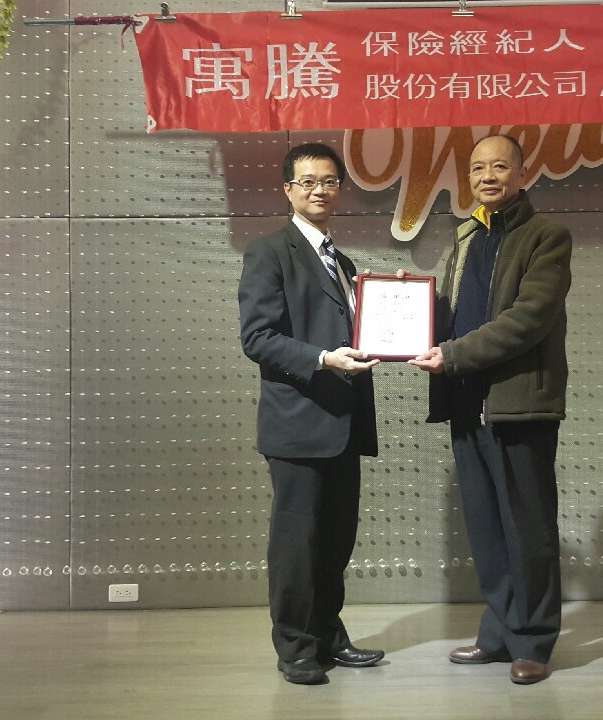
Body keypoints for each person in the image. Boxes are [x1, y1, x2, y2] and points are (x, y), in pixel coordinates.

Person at [410, 134, 572, 685]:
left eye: (499, 166)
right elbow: (454, 313)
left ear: (522, 174)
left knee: (528, 529)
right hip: (466, 403)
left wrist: (453, 354)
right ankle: (499, 635)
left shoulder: (546, 237)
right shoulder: (466, 239)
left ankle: (533, 642)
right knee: (486, 529)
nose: (487, 176)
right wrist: (407, 304)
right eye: (478, 168)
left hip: (517, 404)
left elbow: (528, 319)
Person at [238, 142, 385, 685]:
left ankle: (327, 635)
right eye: (308, 181)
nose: (319, 190)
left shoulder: (342, 262)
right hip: (298, 424)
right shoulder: (269, 252)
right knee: (297, 545)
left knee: (335, 541)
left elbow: (358, 331)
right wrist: (323, 359)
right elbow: (257, 338)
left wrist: (389, 304)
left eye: (329, 181)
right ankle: (296, 648)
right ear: (288, 190)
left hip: (344, 421)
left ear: (339, 188)